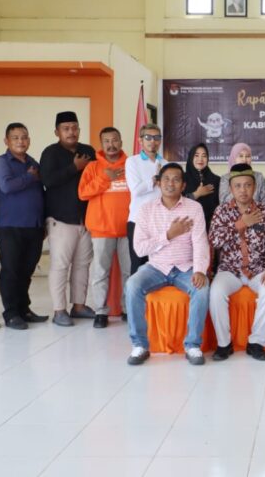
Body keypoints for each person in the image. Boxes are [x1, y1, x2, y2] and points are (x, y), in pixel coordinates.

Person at [125, 163, 210, 366]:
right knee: (132, 285)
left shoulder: (194, 208)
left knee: (202, 288)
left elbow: (200, 243)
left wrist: (200, 270)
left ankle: (193, 345)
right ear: (158, 183)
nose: (171, 184)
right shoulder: (146, 210)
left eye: (176, 179)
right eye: (166, 179)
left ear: (183, 185)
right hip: (156, 267)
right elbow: (140, 249)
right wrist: (169, 235)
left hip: (185, 267)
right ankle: (139, 345)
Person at [208, 163, 265, 361]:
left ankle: (256, 343)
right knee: (216, 292)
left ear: (255, 187)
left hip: (258, 269)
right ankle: (224, 344)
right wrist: (240, 224)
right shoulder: (221, 211)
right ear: (231, 188)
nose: (243, 190)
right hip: (229, 270)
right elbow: (214, 241)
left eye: (248, 185)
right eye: (238, 186)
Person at [40, 111, 96, 326]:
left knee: (82, 265)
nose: (71, 132)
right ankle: (59, 310)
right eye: (66, 128)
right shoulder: (50, 153)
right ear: (57, 132)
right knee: (60, 265)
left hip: (86, 220)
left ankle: (79, 306)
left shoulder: (88, 151)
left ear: (79, 129)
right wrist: (74, 167)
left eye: (74, 127)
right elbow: (48, 180)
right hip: (61, 220)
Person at [0, 123, 47, 330]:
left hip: (34, 225)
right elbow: (7, 186)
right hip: (10, 225)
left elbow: (41, 193)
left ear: (29, 140)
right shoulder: (1, 162)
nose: (20, 141)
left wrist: (42, 221)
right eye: (15, 138)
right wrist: (29, 177)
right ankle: (11, 313)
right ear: (6, 141)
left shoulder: (33, 162)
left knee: (27, 270)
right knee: (11, 270)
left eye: (24, 137)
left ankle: (24, 309)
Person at [78, 127, 131, 329]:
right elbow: (83, 193)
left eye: (115, 140)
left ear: (121, 142)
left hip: (128, 229)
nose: (111, 145)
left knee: (129, 272)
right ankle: (100, 311)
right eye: (106, 141)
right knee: (100, 272)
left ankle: (127, 309)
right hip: (101, 229)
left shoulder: (131, 165)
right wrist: (105, 178)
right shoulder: (92, 167)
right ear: (101, 144)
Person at [126, 123, 165, 276]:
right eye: (148, 137)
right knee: (138, 266)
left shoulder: (166, 163)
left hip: (160, 221)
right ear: (140, 141)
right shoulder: (132, 161)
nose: (152, 141)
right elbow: (136, 190)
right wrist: (155, 179)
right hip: (138, 221)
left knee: (158, 266)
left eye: (156, 137)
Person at [183, 143, 221, 229]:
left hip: (211, 227)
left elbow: (219, 206)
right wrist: (196, 194)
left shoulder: (216, 180)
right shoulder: (182, 178)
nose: (200, 159)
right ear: (191, 157)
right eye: (196, 155)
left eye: (204, 156)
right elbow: (176, 202)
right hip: (187, 226)